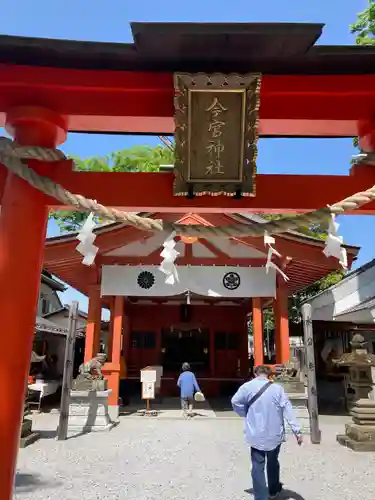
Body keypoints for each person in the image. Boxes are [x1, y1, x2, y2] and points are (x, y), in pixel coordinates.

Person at [231, 365, 303, 500]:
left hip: (256, 433)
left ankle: (261, 496)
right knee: (273, 461)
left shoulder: (247, 387)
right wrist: (297, 431)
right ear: (270, 375)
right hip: (274, 433)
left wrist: (244, 412)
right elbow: (288, 410)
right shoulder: (278, 389)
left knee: (257, 466)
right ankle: (274, 489)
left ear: (255, 374)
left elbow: (235, 401)